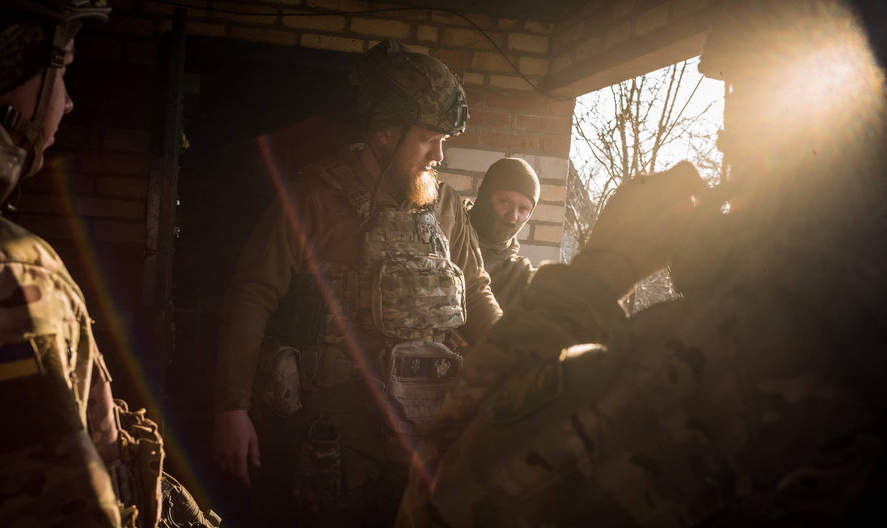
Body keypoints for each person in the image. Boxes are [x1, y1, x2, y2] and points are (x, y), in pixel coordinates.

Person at [397, 0, 887, 525]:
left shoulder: (754, 349)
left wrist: (602, 270)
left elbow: (444, 490)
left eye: (740, 94)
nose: (725, 137)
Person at [0, 2, 217, 527]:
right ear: (8, 75)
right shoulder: (2, 269)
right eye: (63, 68)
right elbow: (52, 506)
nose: (67, 103)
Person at [211, 40, 501, 525]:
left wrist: (521, 367)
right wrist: (231, 409)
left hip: (423, 439)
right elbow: (251, 295)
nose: (441, 153)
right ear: (386, 134)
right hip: (334, 438)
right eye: (429, 137)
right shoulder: (315, 197)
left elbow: (478, 290)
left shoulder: (446, 207)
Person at [467, 157, 540, 310]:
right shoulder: (445, 236)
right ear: (484, 196)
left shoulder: (519, 275)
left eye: (523, 209)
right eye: (504, 201)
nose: (513, 217)